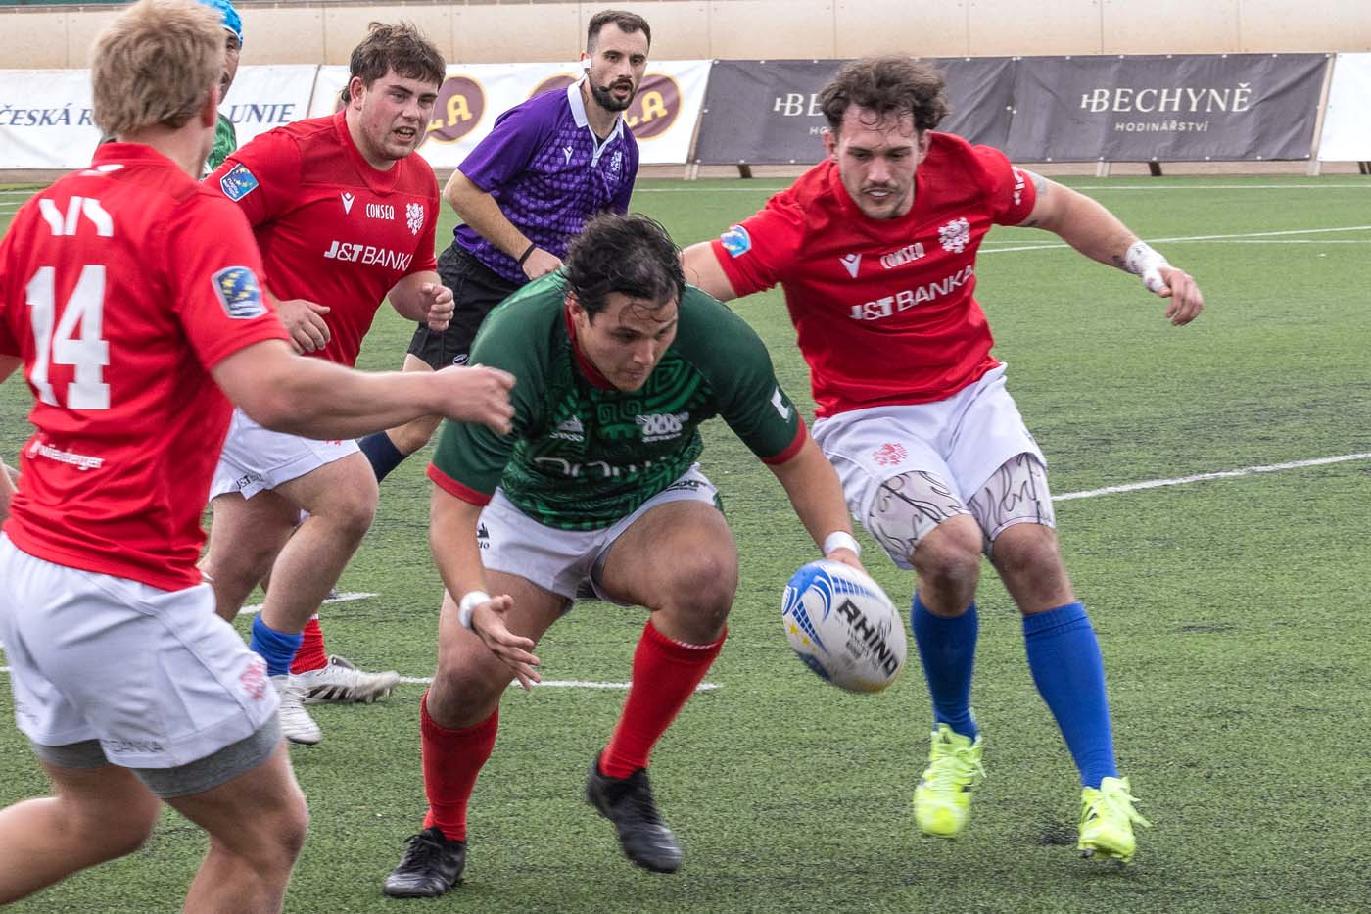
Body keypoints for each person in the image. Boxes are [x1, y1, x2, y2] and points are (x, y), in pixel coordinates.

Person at [0, 2, 512, 910]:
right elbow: (274, 391)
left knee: (102, 818)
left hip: (35, 569)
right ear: (210, 98)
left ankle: (284, 660)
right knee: (267, 831)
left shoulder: (46, 211)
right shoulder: (192, 213)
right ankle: (281, 668)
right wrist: (436, 391)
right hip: (122, 583)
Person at [682, 56, 1205, 865]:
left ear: (926, 145)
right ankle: (954, 737)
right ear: (829, 145)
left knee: (1031, 553)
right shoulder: (798, 218)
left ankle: (1103, 788)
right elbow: (691, 276)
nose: (877, 174)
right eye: (859, 155)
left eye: (896, 154)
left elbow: (1062, 207)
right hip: (867, 420)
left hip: (970, 399)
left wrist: (1147, 261)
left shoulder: (971, 173)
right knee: (951, 554)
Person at [381, 214, 865, 898]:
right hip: (528, 511)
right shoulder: (513, 343)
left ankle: (620, 772)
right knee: (465, 674)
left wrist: (842, 552)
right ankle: (443, 830)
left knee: (705, 576)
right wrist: (474, 603)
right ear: (577, 310)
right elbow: (453, 512)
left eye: (661, 332)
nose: (645, 354)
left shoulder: (713, 338)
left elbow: (796, 457)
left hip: (649, 499)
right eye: (625, 336)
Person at [200, 22, 454, 745]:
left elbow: (409, 279)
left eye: (426, 100)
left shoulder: (418, 183)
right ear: (357, 91)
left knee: (242, 557)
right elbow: (197, 227)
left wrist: (428, 297)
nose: (412, 113)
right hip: (240, 370)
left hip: (311, 386)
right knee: (349, 495)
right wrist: (269, 305)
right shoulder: (290, 152)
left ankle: (155, 684)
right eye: (398, 94)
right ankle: (275, 675)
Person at [356, 9, 649, 483]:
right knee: (413, 423)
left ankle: (530, 521)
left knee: (548, 421)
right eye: (612, 57)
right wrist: (527, 252)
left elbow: (606, 238)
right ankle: (327, 492)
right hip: (475, 281)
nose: (624, 71)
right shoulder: (540, 118)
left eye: (636, 61)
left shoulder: (625, 149)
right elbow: (462, 190)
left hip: (543, 301)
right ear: (587, 59)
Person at [202, 0, 244, 173]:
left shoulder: (224, 129)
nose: (220, 61)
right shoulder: (143, 129)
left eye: (230, 46)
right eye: (209, 44)